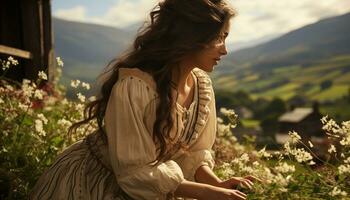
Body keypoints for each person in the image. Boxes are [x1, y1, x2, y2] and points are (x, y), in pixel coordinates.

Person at [30, 0, 259, 199]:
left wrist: (215, 184)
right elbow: (134, 172)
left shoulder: (201, 85)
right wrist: (205, 193)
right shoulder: (135, 87)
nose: (225, 50)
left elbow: (193, 153)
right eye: (219, 37)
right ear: (193, 36)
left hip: (155, 188)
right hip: (95, 181)